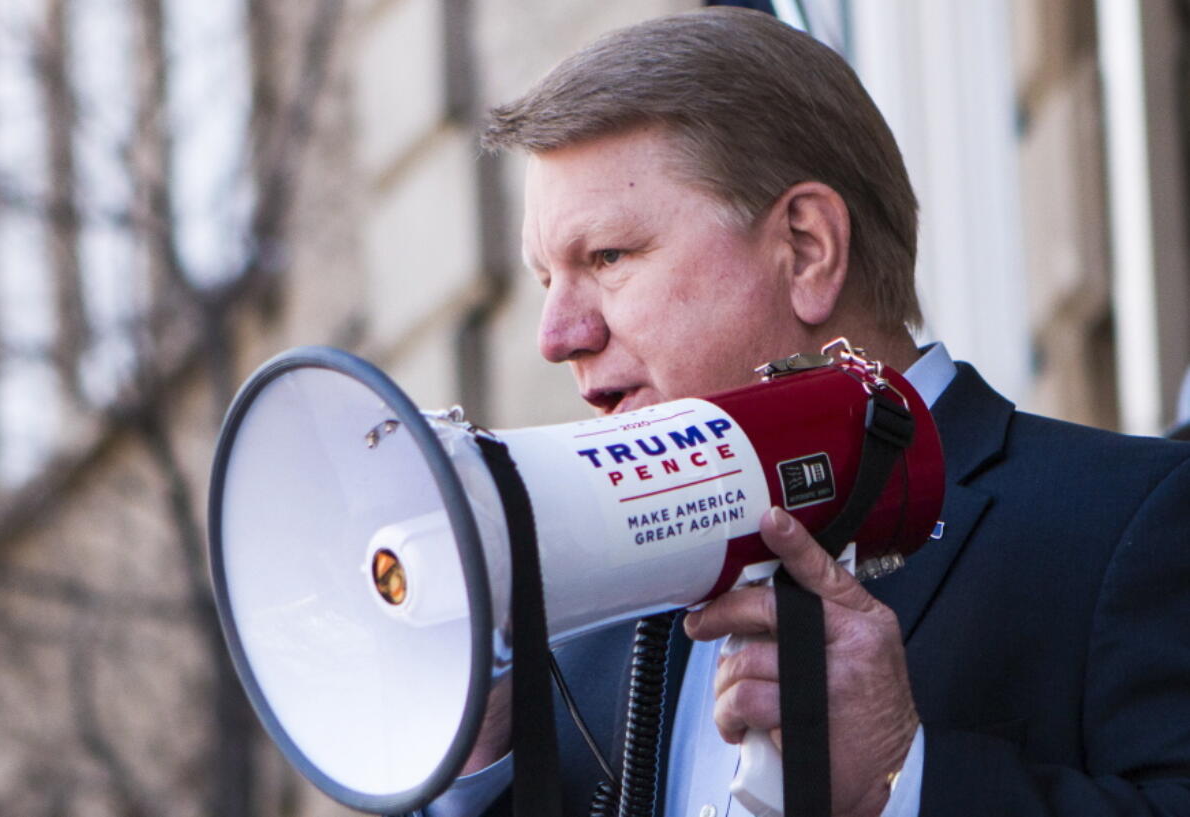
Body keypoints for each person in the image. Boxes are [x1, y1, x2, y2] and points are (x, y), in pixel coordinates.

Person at [424, 7, 1190, 816]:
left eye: (608, 257)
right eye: (547, 279)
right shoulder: (576, 637)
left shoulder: (1135, 523)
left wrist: (906, 779)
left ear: (807, 246)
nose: (557, 336)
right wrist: (475, 777)